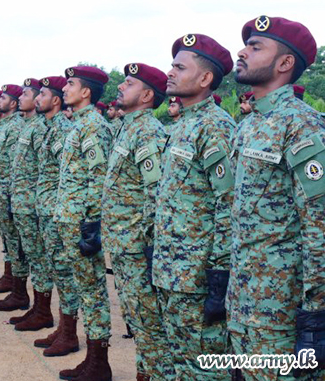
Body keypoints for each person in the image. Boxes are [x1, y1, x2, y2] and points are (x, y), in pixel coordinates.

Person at [228, 16, 324, 380]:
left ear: (284, 64)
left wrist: (315, 313)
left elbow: (319, 223)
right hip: (243, 301)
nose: (243, 52)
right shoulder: (248, 124)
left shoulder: (303, 125)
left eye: (255, 47)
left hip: (281, 310)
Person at [153, 34, 236, 380]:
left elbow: (229, 204)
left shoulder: (215, 127)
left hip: (197, 276)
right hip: (172, 270)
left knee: (203, 366)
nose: (170, 72)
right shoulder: (182, 123)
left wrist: (219, 277)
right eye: (172, 65)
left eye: (179, 67)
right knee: (179, 360)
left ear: (204, 79)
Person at [101, 63, 174, 380]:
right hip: (122, 244)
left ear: (146, 95)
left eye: (128, 84)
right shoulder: (127, 127)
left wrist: (148, 248)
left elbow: (154, 194)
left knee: (149, 326)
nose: (120, 87)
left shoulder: (147, 132)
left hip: (136, 247)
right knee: (137, 321)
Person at [55, 66, 113, 381]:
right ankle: (92, 358)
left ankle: (99, 362)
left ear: (86, 91)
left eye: (71, 84)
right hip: (71, 220)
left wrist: (91, 223)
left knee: (92, 292)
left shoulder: (93, 126)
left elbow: (98, 178)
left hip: (81, 224)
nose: (65, 89)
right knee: (83, 289)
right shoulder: (78, 125)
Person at [32, 75, 80, 357]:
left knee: (64, 272)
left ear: (56, 101)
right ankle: (64, 327)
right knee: (57, 271)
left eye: (42, 94)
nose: (38, 98)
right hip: (47, 207)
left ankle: (69, 332)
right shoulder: (49, 127)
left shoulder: (63, 128)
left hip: (57, 210)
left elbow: (67, 175)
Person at [8, 78, 55, 331]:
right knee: (33, 256)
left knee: (39, 258)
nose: (26, 98)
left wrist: (38, 203)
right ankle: (37, 307)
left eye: (28, 94)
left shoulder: (40, 127)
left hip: (34, 203)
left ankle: (43, 310)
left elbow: (43, 169)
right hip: (23, 201)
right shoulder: (28, 126)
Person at [0, 85, 30, 312]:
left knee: (16, 244)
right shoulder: (3, 126)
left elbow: (18, 165)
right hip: (0, 193)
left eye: (2, 98)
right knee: (9, 242)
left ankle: (19, 291)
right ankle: (13, 284)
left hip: (10, 193)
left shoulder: (16, 127)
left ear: (12, 104)